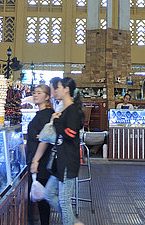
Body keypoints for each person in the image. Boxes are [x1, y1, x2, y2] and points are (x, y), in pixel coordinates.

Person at [45, 77, 85, 225]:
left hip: (68, 161)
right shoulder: (63, 109)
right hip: (59, 161)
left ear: (67, 89)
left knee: (64, 200)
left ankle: (70, 221)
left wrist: (56, 122)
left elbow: (70, 134)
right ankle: (72, 221)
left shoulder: (73, 111)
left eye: (59, 87)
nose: (56, 90)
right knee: (48, 194)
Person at [27, 84, 55, 225]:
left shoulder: (47, 115)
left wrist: (35, 161)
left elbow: (45, 138)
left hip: (41, 161)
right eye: (34, 92)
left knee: (42, 197)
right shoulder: (41, 114)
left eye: (39, 92)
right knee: (40, 196)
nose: (35, 95)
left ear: (47, 97)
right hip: (37, 159)